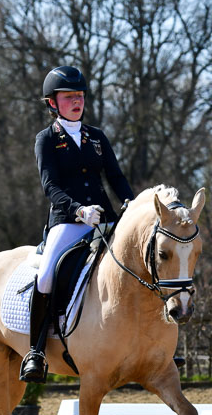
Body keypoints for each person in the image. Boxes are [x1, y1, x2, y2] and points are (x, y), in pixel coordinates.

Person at [20, 65, 134, 383]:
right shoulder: (46, 140)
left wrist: (132, 204)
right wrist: (78, 210)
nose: (77, 102)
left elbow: (115, 177)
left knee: (140, 265)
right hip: (68, 222)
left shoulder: (96, 137)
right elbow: (50, 186)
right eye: (69, 97)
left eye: (80, 96)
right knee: (46, 276)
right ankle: (36, 351)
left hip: (106, 220)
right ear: (53, 103)